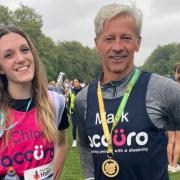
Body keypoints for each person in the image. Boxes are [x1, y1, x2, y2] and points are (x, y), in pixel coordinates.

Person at [74, 3, 180, 180]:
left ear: (137, 43)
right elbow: (85, 145)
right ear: (97, 44)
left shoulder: (164, 89)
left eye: (125, 38)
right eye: (109, 39)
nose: (117, 47)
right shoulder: (83, 99)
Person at [0, 26, 69, 180]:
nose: (20, 58)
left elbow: (62, 144)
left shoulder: (55, 103)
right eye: (9, 55)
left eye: (24, 50)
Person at [167, 63, 180, 172]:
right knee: (178, 142)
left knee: (171, 141)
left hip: (170, 114)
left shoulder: (169, 83)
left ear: (175, 71)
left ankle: (170, 165)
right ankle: (175, 166)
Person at [68, 78, 83, 147]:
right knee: (74, 126)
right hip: (73, 111)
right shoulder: (71, 91)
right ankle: (74, 141)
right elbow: (69, 101)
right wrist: (68, 110)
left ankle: (82, 140)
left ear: (79, 83)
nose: (75, 83)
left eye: (76, 82)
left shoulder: (83, 90)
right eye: (74, 82)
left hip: (81, 111)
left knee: (81, 126)